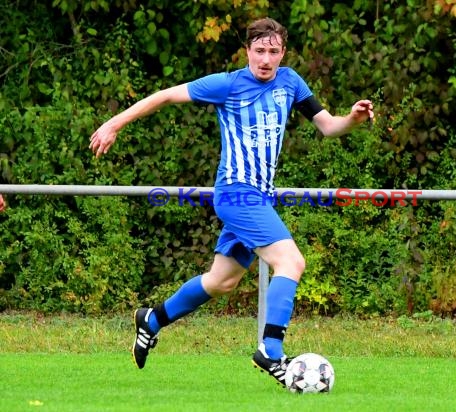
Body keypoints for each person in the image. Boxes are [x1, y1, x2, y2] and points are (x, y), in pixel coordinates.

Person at [89, 17, 373, 387]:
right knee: (291, 261)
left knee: (221, 282)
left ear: (283, 53)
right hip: (237, 194)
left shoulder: (291, 82)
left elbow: (328, 126)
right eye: (259, 51)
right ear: (248, 51)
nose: (266, 59)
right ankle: (271, 349)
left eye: (273, 51)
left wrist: (351, 118)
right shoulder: (227, 84)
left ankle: (152, 319)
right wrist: (114, 124)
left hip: (259, 197)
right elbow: (165, 96)